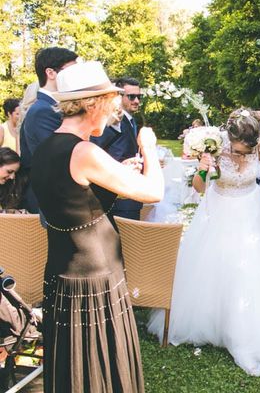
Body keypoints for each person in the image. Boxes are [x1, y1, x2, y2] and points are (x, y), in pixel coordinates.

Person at [148, 108, 260, 376]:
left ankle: (248, 331)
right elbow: (198, 187)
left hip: (252, 209)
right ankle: (215, 323)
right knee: (217, 266)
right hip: (218, 208)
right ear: (229, 138)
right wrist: (203, 169)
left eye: (247, 152)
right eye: (239, 151)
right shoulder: (215, 144)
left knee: (252, 269)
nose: (243, 156)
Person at [30, 61, 163, 392]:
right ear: (93, 104)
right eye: (110, 101)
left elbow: (74, 193)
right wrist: (148, 148)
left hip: (63, 268)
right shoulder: (85, 151)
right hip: (95, 275)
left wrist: (116, 169)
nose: (113, 110)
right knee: (102, 363)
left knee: (75, 363)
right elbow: (153, 192)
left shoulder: (49, 146)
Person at [20, 47, 78, 213]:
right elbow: (58, 159)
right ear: (51, 73)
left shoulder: (51, 107)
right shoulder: (42, 111)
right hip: (54, 201)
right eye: (70, 71)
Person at [92, 78, 144, 220]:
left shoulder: (131, 121)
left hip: (131, 193)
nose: (136, 101)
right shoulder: (110, 122)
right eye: (131, 96)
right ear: (118, 96)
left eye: (139, 97)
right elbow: (98, 149)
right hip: (117, 196)